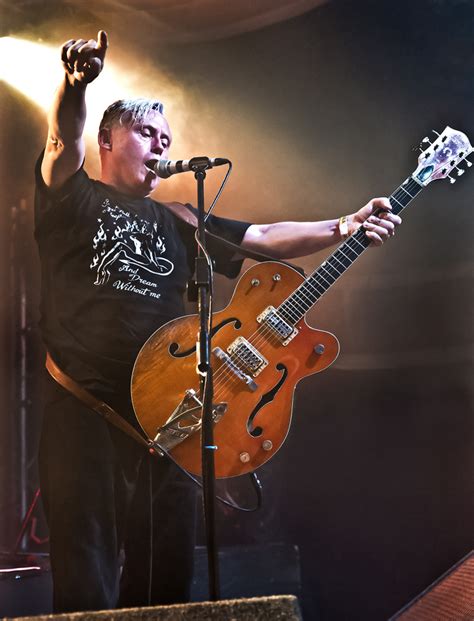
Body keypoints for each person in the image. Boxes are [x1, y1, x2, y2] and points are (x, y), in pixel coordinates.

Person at [35, 30, 401, 613]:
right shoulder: (72, 196)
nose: (161, 145)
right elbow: (62, 139)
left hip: (172, 415)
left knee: (166, 577)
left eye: (167, 138)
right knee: (87, 573)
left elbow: (264, 237)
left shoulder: (181, 217)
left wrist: (344, 225)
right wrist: (74, 87)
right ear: (107, 140)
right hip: (86, 407)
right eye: (146, 133)